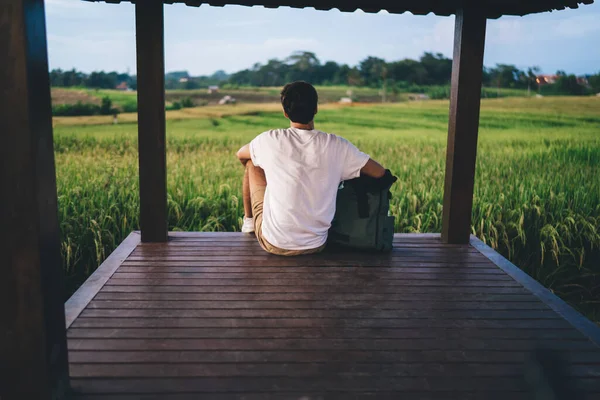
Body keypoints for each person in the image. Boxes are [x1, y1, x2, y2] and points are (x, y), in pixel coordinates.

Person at [236, 81, 386, 256]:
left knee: (251, 163)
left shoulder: (270, 140)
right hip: (316, 244)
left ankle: (248, 222)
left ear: (285, 112)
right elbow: (379, 172)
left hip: (274, 242)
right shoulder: (337, 145)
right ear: (316, 109)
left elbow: (241, 154)